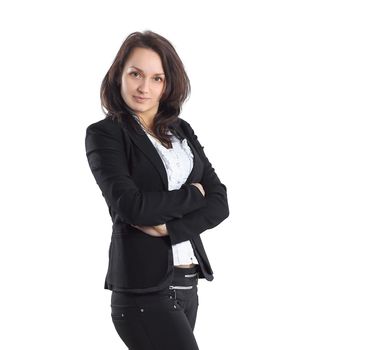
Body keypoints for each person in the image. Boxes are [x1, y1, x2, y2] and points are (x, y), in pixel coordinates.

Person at [85, 30, 230, 350]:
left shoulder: (181, 131)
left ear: (168, 84)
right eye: (135, 74)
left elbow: (220, 202)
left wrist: (171, 228)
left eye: (157, 78)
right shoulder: (105, 134)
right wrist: (194, 195)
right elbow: (131, 206)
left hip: (188, 283)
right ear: (119, 74)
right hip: (142, 291)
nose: (143, 87)